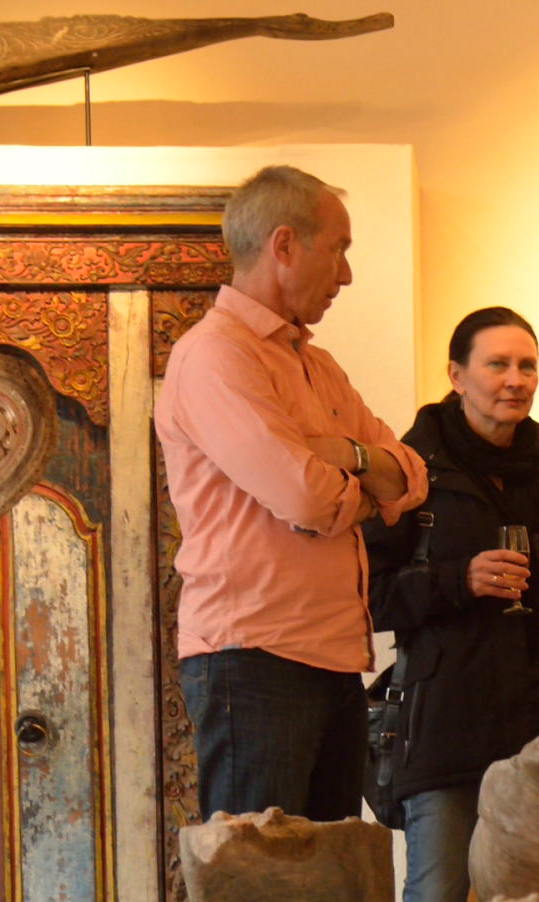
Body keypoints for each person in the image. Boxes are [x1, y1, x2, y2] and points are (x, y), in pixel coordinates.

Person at [159, 164, 427, 823]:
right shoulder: (215, 355)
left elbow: (412, 477)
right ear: (284, 245)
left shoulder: (317, 365)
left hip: (330, 657)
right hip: (253, 657)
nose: (347, 274)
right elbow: (308, 500)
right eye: (338, 249)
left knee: (330, 878)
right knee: (260, 877)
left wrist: (350, 457)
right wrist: (365, 490)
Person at [365, 307, 539, 902]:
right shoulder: (410, 471)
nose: (515, 379)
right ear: (457, 375)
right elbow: (369, 592)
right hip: (443, 718)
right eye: (497, 364)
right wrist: (459, 579)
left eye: (527, 365)